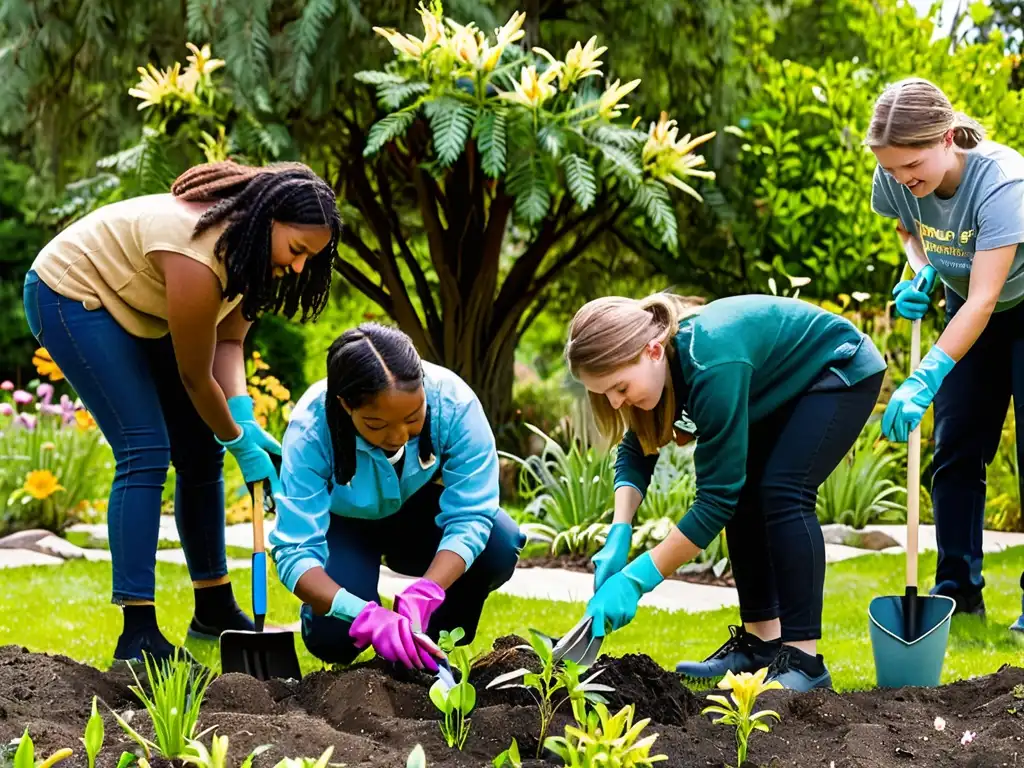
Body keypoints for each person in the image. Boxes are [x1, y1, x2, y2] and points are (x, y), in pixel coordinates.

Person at [22, 160, 342, 665]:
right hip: (72, 292)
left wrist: (244, 419)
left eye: (311, 257)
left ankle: (214, 606)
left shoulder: (252, 256)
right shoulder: (197, 256)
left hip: (136, 307)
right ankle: (138, 635)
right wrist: (237, 439)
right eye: (297, 250)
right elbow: (195, 377)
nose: (300, 267)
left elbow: (229, 342)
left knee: (199, 449)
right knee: (145, 448)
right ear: (268, 221)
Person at [564, 292, 887, 691]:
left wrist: (637, 579)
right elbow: (637, 449)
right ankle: (761, 647)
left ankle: (804, 662)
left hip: (837, 368)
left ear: (651, 351)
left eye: (618, 387)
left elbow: (715, 501)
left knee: (784, 492)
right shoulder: (665, 366)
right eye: (604, 394)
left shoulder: (711, 361)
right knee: (748, 497)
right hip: (780, 389)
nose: (615, 402)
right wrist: (620, 530)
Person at [268, 323, 524, 669]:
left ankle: (428, 639)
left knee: (499, 542)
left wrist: (428, 590)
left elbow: (472, 514)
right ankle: (341, 622)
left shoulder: (454, 404)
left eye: (413, 418)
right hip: (346, 524)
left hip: (417, 516)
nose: (398, 436)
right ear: (345, 405)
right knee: (334, 639)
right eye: (376, 425)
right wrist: (362, 614)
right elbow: (295, 551)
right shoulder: (312, 428)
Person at [867, 77, 1024, 637]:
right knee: (954, 447)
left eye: (912, 165)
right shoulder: (895, 176)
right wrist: (922, 268)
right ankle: (957, 595)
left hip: (1009, 302)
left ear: (948, 137)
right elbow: (911, 231)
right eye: (892, 170)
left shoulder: (1002, 181)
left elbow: (985, 297)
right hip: (969, 304)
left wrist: (927, 374)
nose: (904, 179)